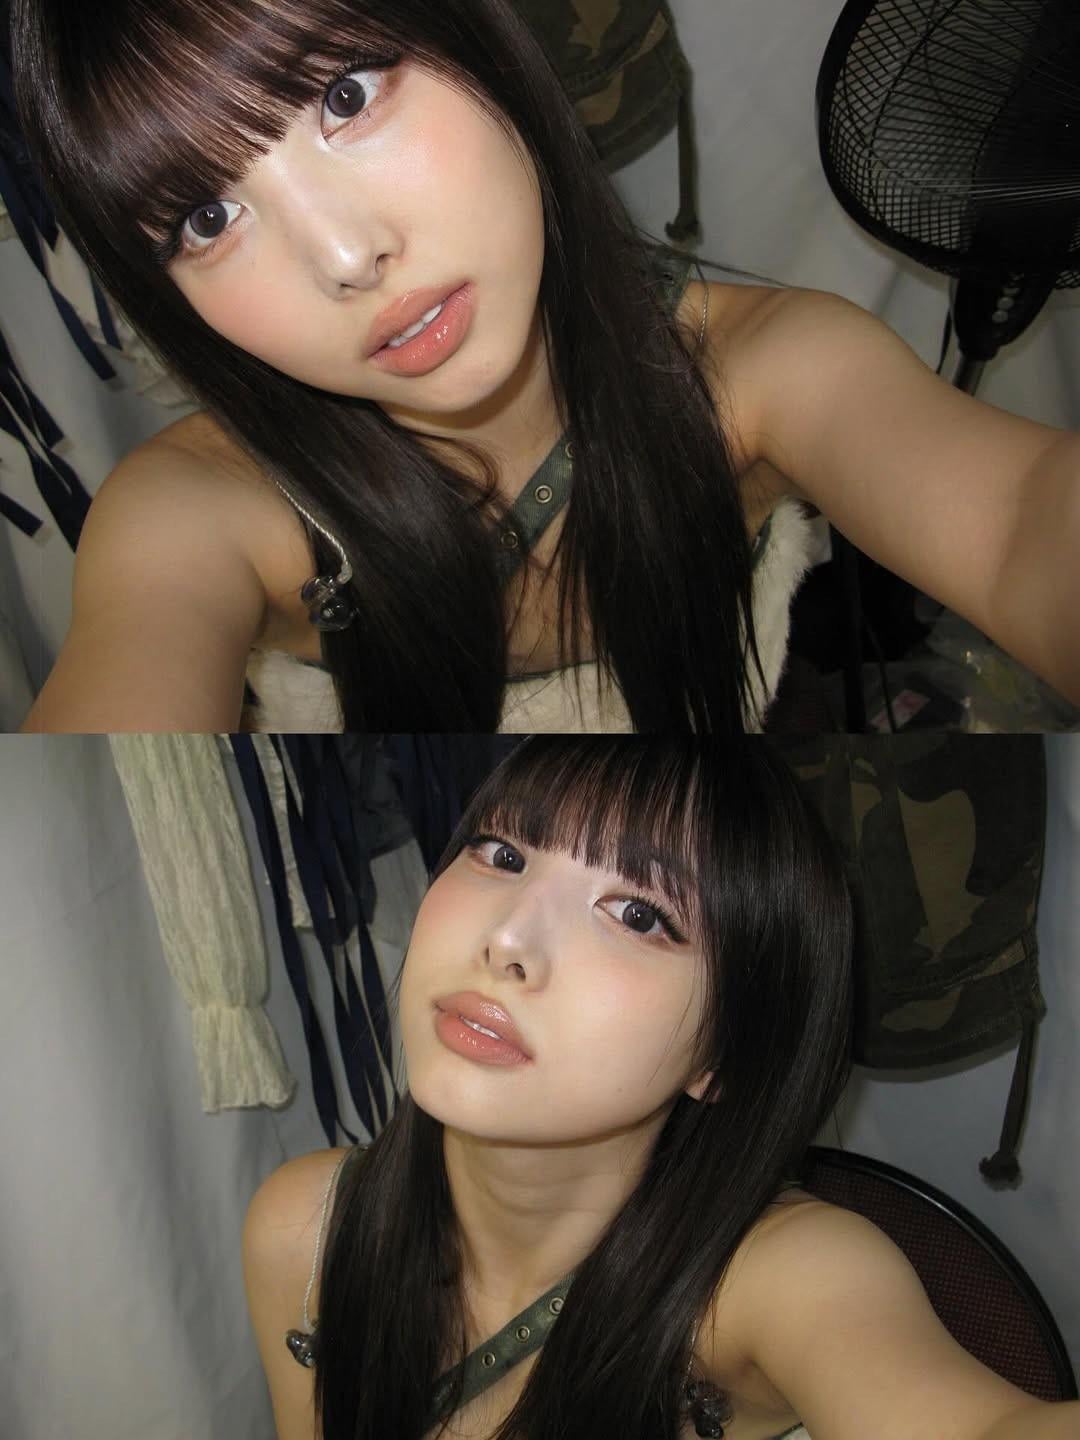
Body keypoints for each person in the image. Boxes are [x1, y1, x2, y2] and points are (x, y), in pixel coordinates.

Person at [11, 0, 1080, 732]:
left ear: (479, 37)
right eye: (207, 218)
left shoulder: (765, 373)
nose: (344, 256)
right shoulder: (196, 517)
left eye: (344, 97)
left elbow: (1027, 517)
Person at [240, 737, 1079, 1440]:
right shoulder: (306, 1228)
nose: (507, 941)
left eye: (639, 915)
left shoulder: (779, 1279)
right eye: (503, 854)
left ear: (725, 1056)